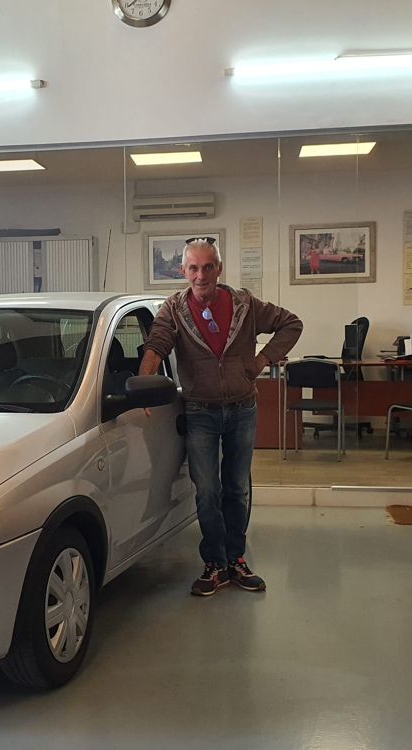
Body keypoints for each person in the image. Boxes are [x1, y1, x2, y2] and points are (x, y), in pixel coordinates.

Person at [140, 238, 302, 597]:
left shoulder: (245, 304)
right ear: (183, 271)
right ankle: (215, 562)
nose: (201, 275)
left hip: (243, 409)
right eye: (194, 268)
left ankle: (236, 559)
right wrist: (144, 382)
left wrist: (262, 360)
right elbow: (157, 344)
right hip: (200, 412)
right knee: (208, 491)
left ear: (219, 269)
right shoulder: (174, 309)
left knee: (237, 488)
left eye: (208, 267)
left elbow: (291, 324)